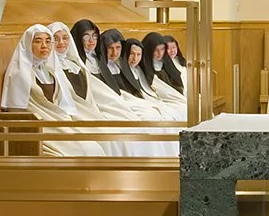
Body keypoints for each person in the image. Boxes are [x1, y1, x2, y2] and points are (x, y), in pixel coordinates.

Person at [48, 22, 175, 158]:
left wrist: (118, 105)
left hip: (93, 108)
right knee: (116, 138)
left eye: (65, 38)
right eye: (56, 38)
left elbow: (101, 92)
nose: (61, 42)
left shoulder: (75, 63)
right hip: (71, 113)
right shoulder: (50, 66)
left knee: (139, 125)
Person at [0, 24, 109, 158]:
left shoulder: (49, 70)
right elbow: (19, 110)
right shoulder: (19, 73)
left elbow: (59, 103)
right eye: (38, 41)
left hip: (58, 122)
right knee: (80, 151)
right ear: (27, 44)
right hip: (38, 128)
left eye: (48, 41)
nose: (44, 45)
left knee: (93, 147)